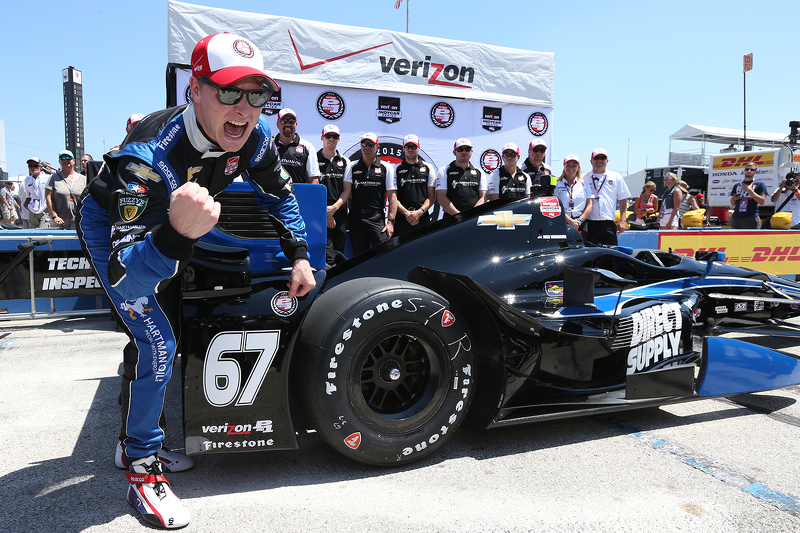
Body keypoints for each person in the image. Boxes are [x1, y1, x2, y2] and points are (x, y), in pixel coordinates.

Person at [77, 32, 315, 529]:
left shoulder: (257, 137)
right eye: (229, 91)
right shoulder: (146, 159)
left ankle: (128, 441)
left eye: (256, 94)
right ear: (196, 89)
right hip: (116, 231)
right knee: (157, 339)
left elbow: (280, 196)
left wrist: (299, 255)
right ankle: (142, 470)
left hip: (181, 223)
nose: (244, 108)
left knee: (168, 327)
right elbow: (125, 275)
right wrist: (176, 235)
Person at [333, 132, 397, 256]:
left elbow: (392, 195)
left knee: (384, 254)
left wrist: (390, 222)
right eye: (364, 144)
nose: (367, 147)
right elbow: (346, 191)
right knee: (359, 257)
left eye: (370, 144)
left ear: (377, 147)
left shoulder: (386, 167)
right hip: (356, 218)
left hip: (376, 217)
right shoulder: (352, 166)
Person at [317, 124, 350, 266]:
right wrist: (326, 213)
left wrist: (333, 209)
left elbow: (347, 190)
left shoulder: (345, 161)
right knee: (324, 254)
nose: (331, 139)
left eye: (335, 136)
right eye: (328, 136)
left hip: (339, 213)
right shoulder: (313, 158)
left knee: (338, 254)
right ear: (322, 137)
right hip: (320, 212)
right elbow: (313, 187)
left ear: (339, 139)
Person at [583, 148, 630, 245]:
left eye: (602, 158)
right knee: (590, 256)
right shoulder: (583, 177)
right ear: (591, 161)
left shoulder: (616, 177)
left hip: (608, 223)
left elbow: (623, 200)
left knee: (611, 256)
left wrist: (622, 221)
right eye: (596, 158)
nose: (599, 161)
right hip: (590, 223)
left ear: (607, 160)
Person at [393, 133, 436, 236]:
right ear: (403, 149)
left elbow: (431, 195)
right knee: (400, 251)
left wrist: (419, 212)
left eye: (413, 146)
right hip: (401, 217)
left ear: (419, 148)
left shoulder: (428, 167)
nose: (410, 149)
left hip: (422, 216)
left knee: (423, 249)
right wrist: (407, 214)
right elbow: (393, 197)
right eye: (407, 146)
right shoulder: (396, 168)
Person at [436, 138, 487, 215]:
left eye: (467, 149)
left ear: (471, 152)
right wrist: (458, 216)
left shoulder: (479, 172)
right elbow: (441, 198)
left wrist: (472, 215)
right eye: (460, 149)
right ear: (454, 152)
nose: (464, 152)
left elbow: (483, 197)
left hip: (474, 217)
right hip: (451, 218)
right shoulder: (445, 170)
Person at [274, 109, 320, 184]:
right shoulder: (269, 145)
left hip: (298, 194)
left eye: (291, 121)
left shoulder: (307, 147)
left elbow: (314, 179)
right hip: (273, 194)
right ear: (277, 124)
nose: (288, 124)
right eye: (284, 121)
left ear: (296, 124)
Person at [46, 150, 87, 230]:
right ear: (59, 161)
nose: (65, 160)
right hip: (59, 221)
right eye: (62, 158)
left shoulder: (84, 179)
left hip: (79, 220)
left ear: (74, 161)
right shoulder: (53, 178)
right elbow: (48, 198)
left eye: (68, 158)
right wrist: (55, 216)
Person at [554, 154, 592, 231]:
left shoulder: (584, 184)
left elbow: (589, 205)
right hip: (562, 221)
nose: (571, 168)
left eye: (574, 165)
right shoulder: (557, 184)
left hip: (580, 223)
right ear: (564, 166)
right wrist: (569, 221)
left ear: (578, 167)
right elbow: (555, 206)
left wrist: (579, 220)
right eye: (568, 165)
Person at [730, 163, 766, 229]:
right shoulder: (737, 184)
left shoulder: (760, 184)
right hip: (736, 217)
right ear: (744, 170)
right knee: (735, 238)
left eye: (752, 169)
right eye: (747, 169)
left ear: (755, 171)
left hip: (751, 217)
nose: (749, 171)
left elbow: (762, 201)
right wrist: (734, 199)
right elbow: (732, 203)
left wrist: (750, 190)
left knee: (751, 238)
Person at [23, 158, 52, 229]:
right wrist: (29, 207)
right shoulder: (27, 180)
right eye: (30, 166)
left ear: (41, 167)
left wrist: (49, 207)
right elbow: (28, 196)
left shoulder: (48, 178)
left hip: (44, 210)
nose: (33, 168)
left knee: (43, 235)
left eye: (35, 166)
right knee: (33, 235)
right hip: (33, 211)